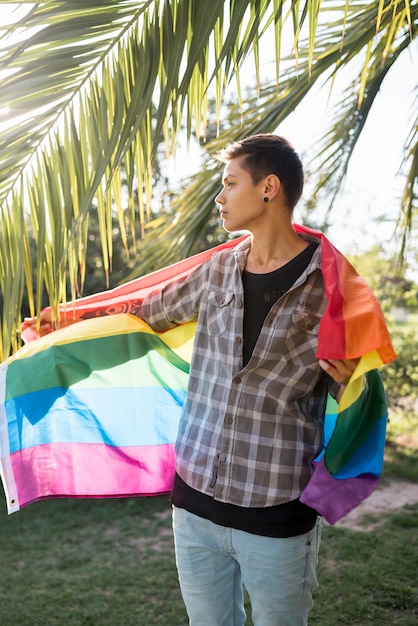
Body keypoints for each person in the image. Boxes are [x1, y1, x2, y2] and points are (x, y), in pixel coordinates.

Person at [25, 134, 361, 625]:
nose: (219, 197)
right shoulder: (218, 269)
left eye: (229, 184)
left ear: (269, 188)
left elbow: (355, 394)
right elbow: (143, 312)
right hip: (195, 504)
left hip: (276, 510)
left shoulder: (331, 286)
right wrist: (72, 321)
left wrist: (352, 381)